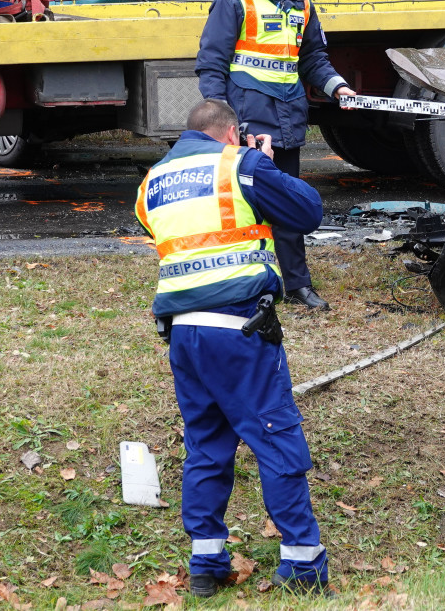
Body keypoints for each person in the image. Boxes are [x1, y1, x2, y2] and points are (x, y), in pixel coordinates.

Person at [135, 99, 330, 597]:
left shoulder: (153, 180)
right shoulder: (238, 163)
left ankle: (206, 565)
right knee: (276, 437)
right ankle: (303, 569)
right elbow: (307, 211)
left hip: (184, 334)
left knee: (206, 446)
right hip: (238, 330)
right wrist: (259, 161)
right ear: (231, 133)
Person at [195, 0, 354, 311]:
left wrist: (338, 87)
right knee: (245, 208)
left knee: (286, 203)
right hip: (247, 124)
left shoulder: (301, 2)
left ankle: (297, 285)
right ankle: (242, 285)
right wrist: (225, 123)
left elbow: (313, 58)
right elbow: (211, 66)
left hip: (288, 120)